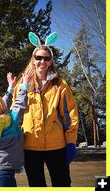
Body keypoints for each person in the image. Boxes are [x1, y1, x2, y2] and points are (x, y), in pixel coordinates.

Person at [13, 32, 79, 187]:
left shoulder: (60, 84)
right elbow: (14, 114)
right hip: (30, 146)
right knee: (36, 185)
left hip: (57, 146)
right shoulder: (22, 85)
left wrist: (70, 143)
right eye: (38, 58)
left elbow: (70, 114)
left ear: (51, 61)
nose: (42, 61)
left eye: (46, 58)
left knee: (62, 184)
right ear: (33, 60)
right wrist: (13, 143)